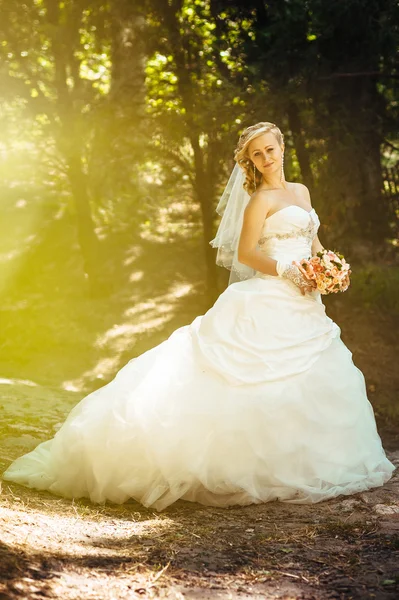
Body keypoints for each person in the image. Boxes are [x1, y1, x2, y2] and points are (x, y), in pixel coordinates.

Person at [2, 122, 395, 511]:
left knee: (313, 377)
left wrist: (329, 266)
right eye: (256, 154)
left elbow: (312, 238)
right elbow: (246, 254)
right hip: (272, 294)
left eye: (269, 149)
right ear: (251, 162)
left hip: (306, 303)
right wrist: (290, 272)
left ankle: (314, 461)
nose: (265, 158)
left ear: (282, 147)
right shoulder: (259, 200)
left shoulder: (302, 191)